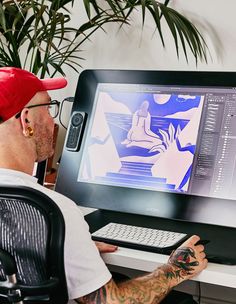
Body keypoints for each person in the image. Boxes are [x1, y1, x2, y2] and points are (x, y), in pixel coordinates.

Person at [0, 67, 207, 304]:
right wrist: (174, 270)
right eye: (48, 108)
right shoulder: (54, 209)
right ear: (27, 120)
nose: (52, 119)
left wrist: (64, 249)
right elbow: (110, 302)